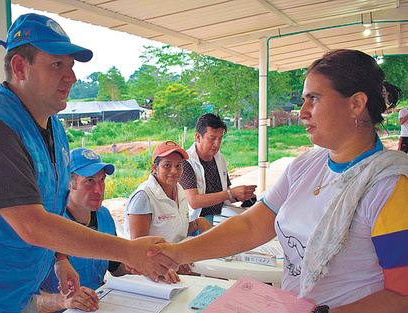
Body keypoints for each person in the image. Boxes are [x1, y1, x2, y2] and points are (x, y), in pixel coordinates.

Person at [0, 13, 176, 313]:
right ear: (19, 67)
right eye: (57, 65)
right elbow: (30, 223)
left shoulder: (54, 129)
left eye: (71, 66)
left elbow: (51, 207)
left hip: (12, 295)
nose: (72, 77)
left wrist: (60, 258)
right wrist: (129, 250)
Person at [153, 49, 408, 312]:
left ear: (356, 104)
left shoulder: (389, 185)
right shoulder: (304, 166)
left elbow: (402, 295)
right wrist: (177, 253)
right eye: (303, 100)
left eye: (314, 99)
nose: (302, 112)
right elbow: (252, 225)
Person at [37, 148, 129, 313]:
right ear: (68, 183)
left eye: (102, 180)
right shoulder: (47, 224)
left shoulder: (104, 216)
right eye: (90, 181)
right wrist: (62, 301)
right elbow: (23, 301)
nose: (99, 190)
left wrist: (149, 265)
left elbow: (117, 269)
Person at [125, 141, 212, 283]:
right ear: (155, 167)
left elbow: (176, 231)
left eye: (178, 165)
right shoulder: (144, 196)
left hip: (176, 263)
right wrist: (168, 264)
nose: (174, 171)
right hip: (154, 273)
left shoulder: (179, 190)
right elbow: (139, 249)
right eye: (167, 165)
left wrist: (197, 223)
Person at [179, 113, 256, 224]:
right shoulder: (186, 162)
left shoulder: (219, 158)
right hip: (197, 221)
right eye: (212, 139)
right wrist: (231, 193)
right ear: (198, 137)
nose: (217, 144)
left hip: (221, 213)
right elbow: (194, 201)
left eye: (220, 139)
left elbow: (225, 195)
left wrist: (241, 196)